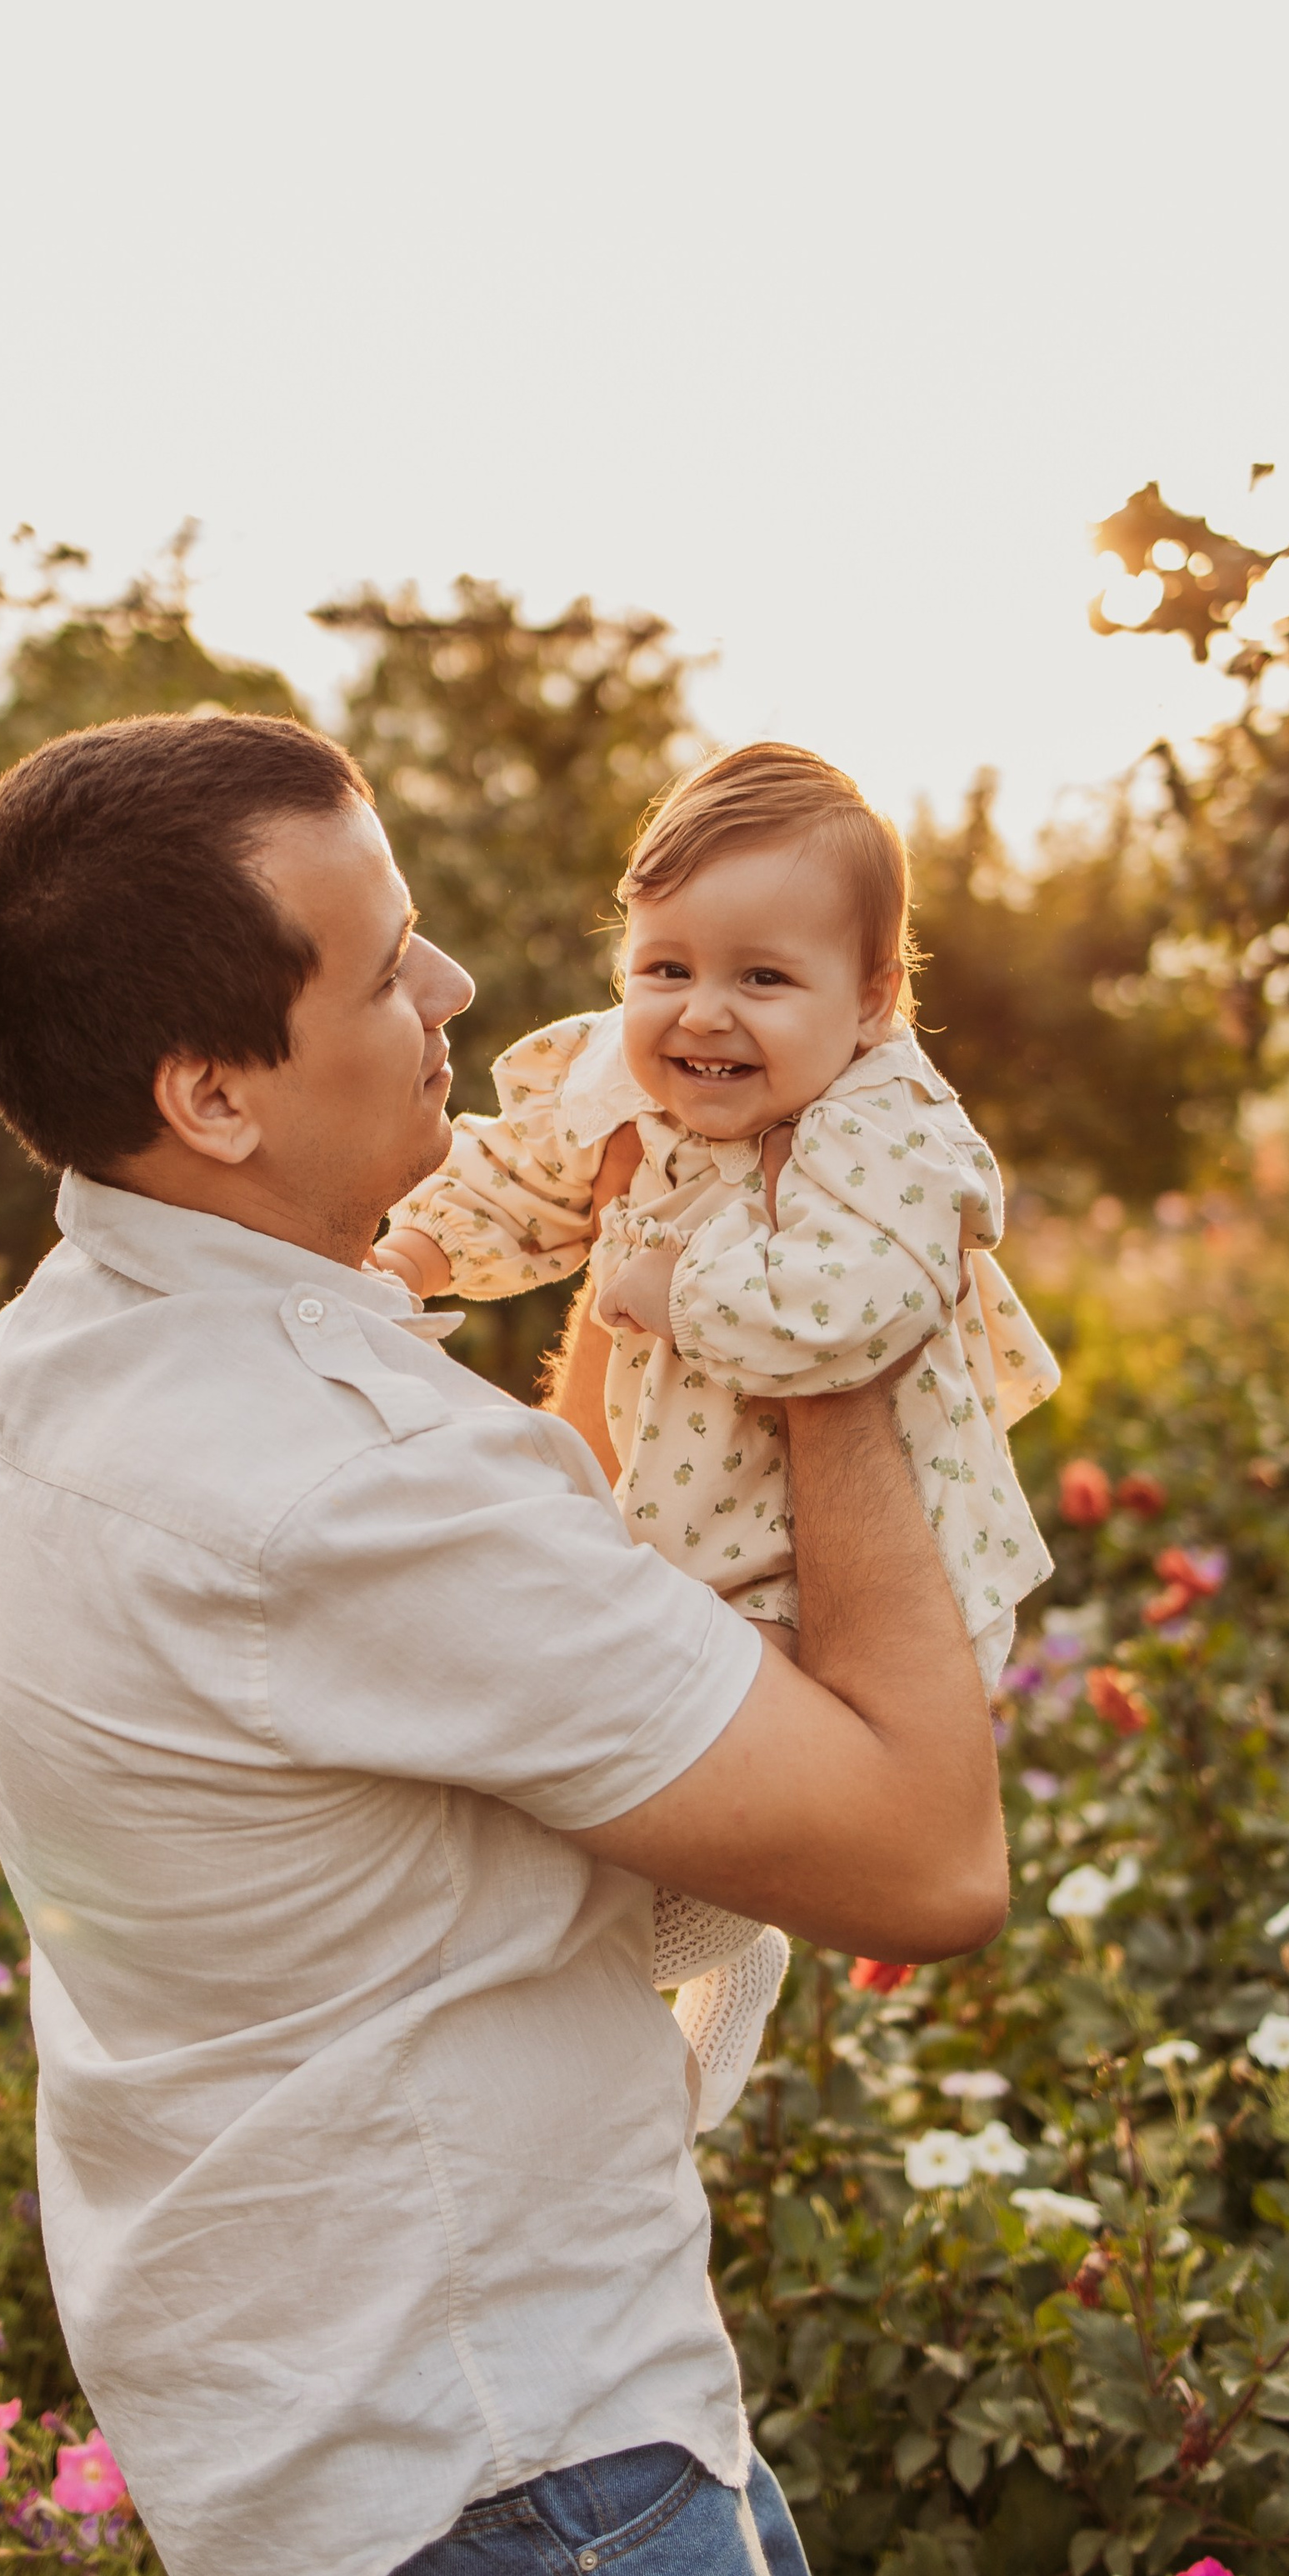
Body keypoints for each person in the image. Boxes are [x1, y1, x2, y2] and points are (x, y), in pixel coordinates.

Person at [0, 708, 1007, 2576]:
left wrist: (647, 1235)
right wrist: (833, 1309)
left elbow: (548, 1591)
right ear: (211, 1091)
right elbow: (924, 1854)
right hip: (503, 2462)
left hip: (449, 2398)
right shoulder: (334, 1488)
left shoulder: (66, 1358)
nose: (456, 999)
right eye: (385, 961)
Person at [376, 743, 1057, 2121]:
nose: (703, 1013)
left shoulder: (888, 1131)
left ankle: (736, 1948)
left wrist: (665, 1286)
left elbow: (849, 1313)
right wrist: (406, 1258)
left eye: (764, 977)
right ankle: (723, 1953)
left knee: (686, 1836)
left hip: (860, 1575)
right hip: (699, 1530)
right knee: (620, 1784)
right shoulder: (637, 1088)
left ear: (870, 1001)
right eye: (665, 965)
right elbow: (518, 1175)